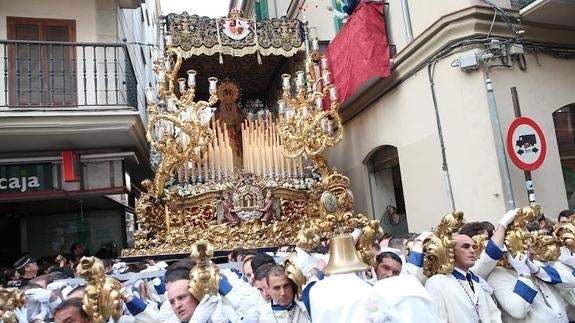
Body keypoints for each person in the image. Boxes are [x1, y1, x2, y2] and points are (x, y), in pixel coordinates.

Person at [424, 233, 502, 323]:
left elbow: (494, 316)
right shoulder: (437, 282)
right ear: (451, 251)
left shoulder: (478, 282)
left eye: (473, 247)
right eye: (465, 246)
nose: (472, 251)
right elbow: (436, 319)